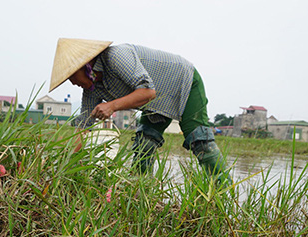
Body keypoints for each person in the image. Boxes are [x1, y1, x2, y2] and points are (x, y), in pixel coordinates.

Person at [49, 38, 231, 184]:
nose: (73, 82)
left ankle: (225, 193)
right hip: (155, 102)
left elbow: (147, 91)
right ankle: (141, 192)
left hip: (183, 81)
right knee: (144, 143)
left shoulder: (116, 57)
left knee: (200, 140)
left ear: (86, 66)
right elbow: (83, 127)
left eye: (72, 76)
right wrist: (69, 166)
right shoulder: (92, 88)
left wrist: (111, 106)